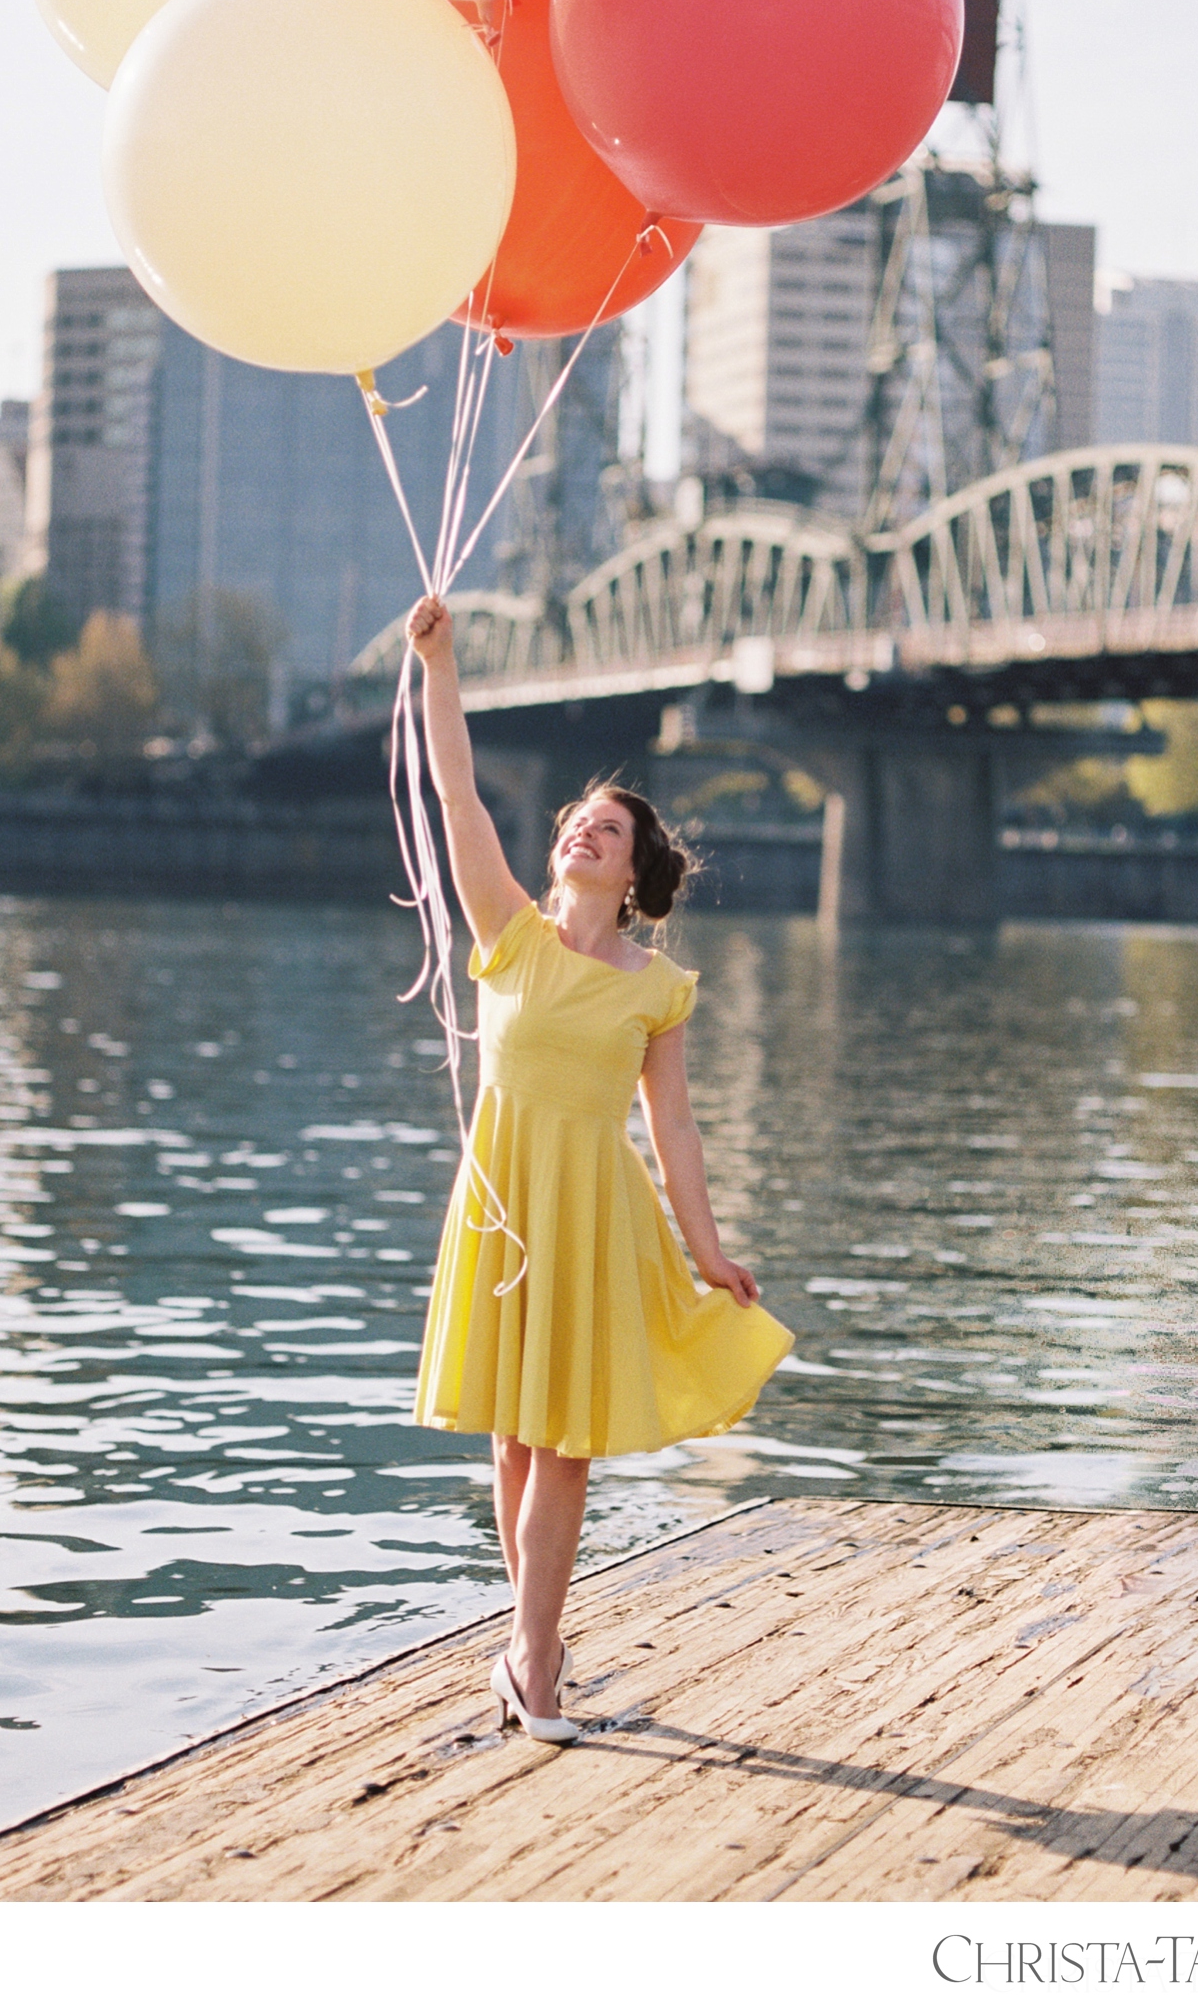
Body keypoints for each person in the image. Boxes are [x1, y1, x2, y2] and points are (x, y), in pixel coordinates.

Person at [406, 594, 793, 1745]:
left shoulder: (654, 988)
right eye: (576, 818)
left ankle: (532, 1655)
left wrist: (708, 1248)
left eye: (607, 829)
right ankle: (533, 1640)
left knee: (562, 1438)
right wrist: (441, 664)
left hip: (591, 1212)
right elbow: (456, 788)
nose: (583, 830)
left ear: (632, 872)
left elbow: (673, 1130)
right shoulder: (508, 935)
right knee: (512, 1436)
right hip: (501, 1205)